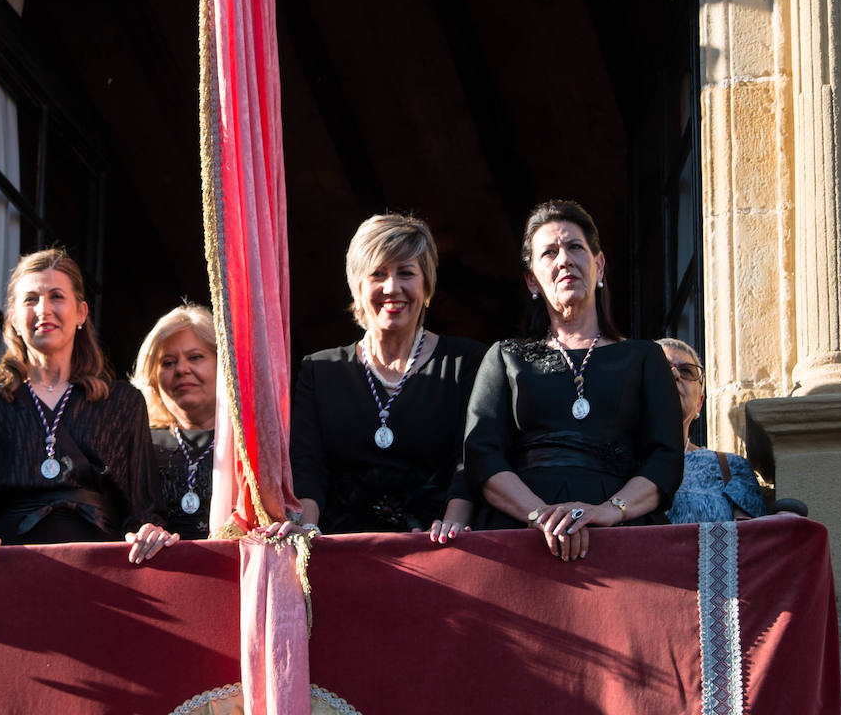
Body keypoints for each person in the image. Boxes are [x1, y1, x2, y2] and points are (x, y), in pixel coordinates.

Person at [464, 200, 684, 561]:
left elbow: (665, 458)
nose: (564, 259)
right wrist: (540, 516)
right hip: (519, 533)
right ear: (532, 280)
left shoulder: (644, 358)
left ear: (599, 265)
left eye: (575, 247)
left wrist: (607, 512)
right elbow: (482, 456)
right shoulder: (505, 357)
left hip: (621, 536)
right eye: (549, 252)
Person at [0, 249, 174, 572]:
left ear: (81, 312)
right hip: (5, 573)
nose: (44, 310)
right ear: (12, 316)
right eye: (30, 299)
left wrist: (150, 530)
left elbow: (142, 509)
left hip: (102, 571)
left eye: (56, 296)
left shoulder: (122, 402)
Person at [289, 213, 485, 541]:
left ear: (426, 285)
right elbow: (307, 466)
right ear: (358, 286)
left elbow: (471, 460)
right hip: (340, 547)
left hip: (437, 545)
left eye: (406, 273)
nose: (392, 288)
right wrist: (307, 531)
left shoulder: (466, 362)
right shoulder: (319, 370)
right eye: (377, 274)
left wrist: (453, 526)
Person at [131, 304, 218, 540]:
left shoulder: (249, 443)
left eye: (195, 357)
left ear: (224, 365)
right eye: (168, 363)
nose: (181, 369)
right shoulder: (139, 444)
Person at [657, 338, 766, 523]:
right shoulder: (610, 463)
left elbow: (749, 544)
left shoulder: (730, 468)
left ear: (699, 403)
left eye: (686, 371)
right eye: (661, 368)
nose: (675, 374)